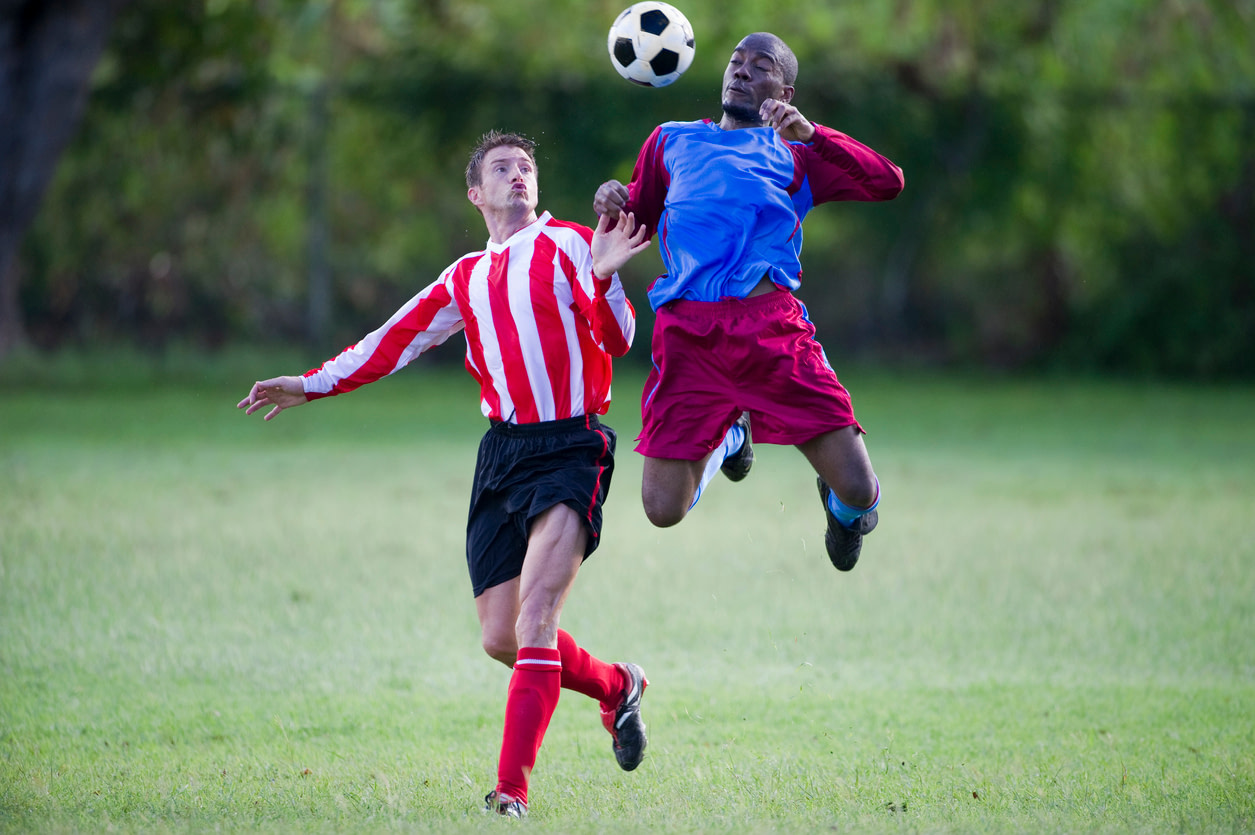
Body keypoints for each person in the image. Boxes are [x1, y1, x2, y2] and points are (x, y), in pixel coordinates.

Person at [239, 131, 652, 819]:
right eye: (501, 168)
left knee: (537, 618)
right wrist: (309, 385)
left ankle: (510, 793)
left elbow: (618, 339)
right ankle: (617, 685)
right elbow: (390, 342)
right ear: (475, 192)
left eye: (526, 166)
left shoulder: (576, 243)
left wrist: (605, 275)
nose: (517, 175)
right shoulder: (464, 276)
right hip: (501, 456)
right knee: (502, 637)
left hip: (571, 447)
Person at [593, 32, 904, 571]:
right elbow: (630, 225)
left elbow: (887, 182)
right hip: (688, 336)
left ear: (784, 90)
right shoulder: (670, 141)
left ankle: (843, 513)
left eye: (761, 66)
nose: (741, 71)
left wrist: (816, 133)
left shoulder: (797, 153)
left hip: (771, 333)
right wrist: (610, 199)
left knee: (858, 490)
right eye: (736, 62)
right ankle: (732, 434)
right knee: (661, 509)